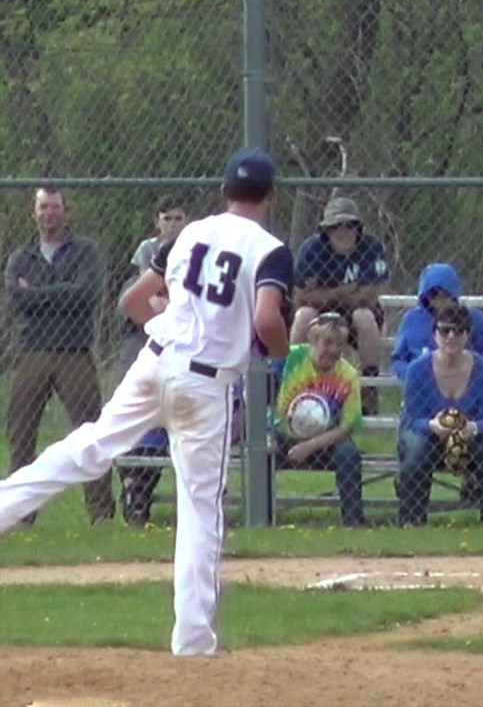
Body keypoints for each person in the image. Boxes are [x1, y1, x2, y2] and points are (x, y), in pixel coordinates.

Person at [0, 147, 292, 655]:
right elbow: (268, 321)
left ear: (224, 192)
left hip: (155, 360)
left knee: (87, 448)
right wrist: (277, 348)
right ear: (269, 195)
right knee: (200, 508)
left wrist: (176, 315)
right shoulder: (270, 249)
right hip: (206, 385)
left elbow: (133, 302)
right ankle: (193, 642)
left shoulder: (189, 232)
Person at [4, 186, 112, 526]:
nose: (49, 213)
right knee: (21, 432)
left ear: (67, 212)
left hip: (74, 351)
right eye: (43, 207)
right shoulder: (21, 256)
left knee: (91, 432)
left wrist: (37, 294)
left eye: (55, 207)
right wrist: (55, 294)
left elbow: (85, 294)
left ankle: (101, 514)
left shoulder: (85, 251)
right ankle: (20, 515)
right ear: (33, 214)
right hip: (32, 351)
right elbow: (16, 300)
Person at [115, 195, 189, 526]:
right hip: (146, 342)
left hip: (182, 349)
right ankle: (134, 487)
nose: (173, 224)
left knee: (162, 422)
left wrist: (166, 306)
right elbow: (135, 303)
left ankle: (138, 489)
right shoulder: (147, 254)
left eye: (178, 218)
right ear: (157, 222)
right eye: (167, 219)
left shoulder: (194, 251)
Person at [399, 304, 483, 526]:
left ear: (467, 335)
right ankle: (411, 520)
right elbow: (412, 418)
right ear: (434, 333)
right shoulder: (417, 369)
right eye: (444, 330)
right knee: (417, 447)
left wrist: (472, 428)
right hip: (427, 433)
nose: (451, 336)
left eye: (458, 331)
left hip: (470, 435)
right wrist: (433, 425)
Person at [291, 196, 390, 413]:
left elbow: (370, 295)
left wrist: (323, 294)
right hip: (320, 315)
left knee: (364, 317)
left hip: (357, 316)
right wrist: (343, 292)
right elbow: (302, 297)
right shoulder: (312, 249)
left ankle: (369, 389)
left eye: (349, 225)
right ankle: (292, 380)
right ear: (326, 229)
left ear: (358, 227)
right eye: (335, 226)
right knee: (304, 315)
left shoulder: (370, 247)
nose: (343, 231)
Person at [274, 313, 367, 527]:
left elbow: (346, 428)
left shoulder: (349, 375)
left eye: (339, 345)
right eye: (327, 343)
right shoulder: (292, 359)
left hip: (327, 441)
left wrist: (308, 446)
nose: (333, 351)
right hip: (285, 434)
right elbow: (263, 387)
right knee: (263, 452)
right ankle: (263, 518)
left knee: (349, 454)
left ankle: (353, 522)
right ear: (312, 342)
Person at [390, 262, 483, 379]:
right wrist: (414, 374)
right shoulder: (412, 319)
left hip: (462, 383)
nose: (439, 301)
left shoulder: (473, 318)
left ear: (454, 295)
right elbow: (397, 361)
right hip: (423, 383)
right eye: (433, 295)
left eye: (445, 295)